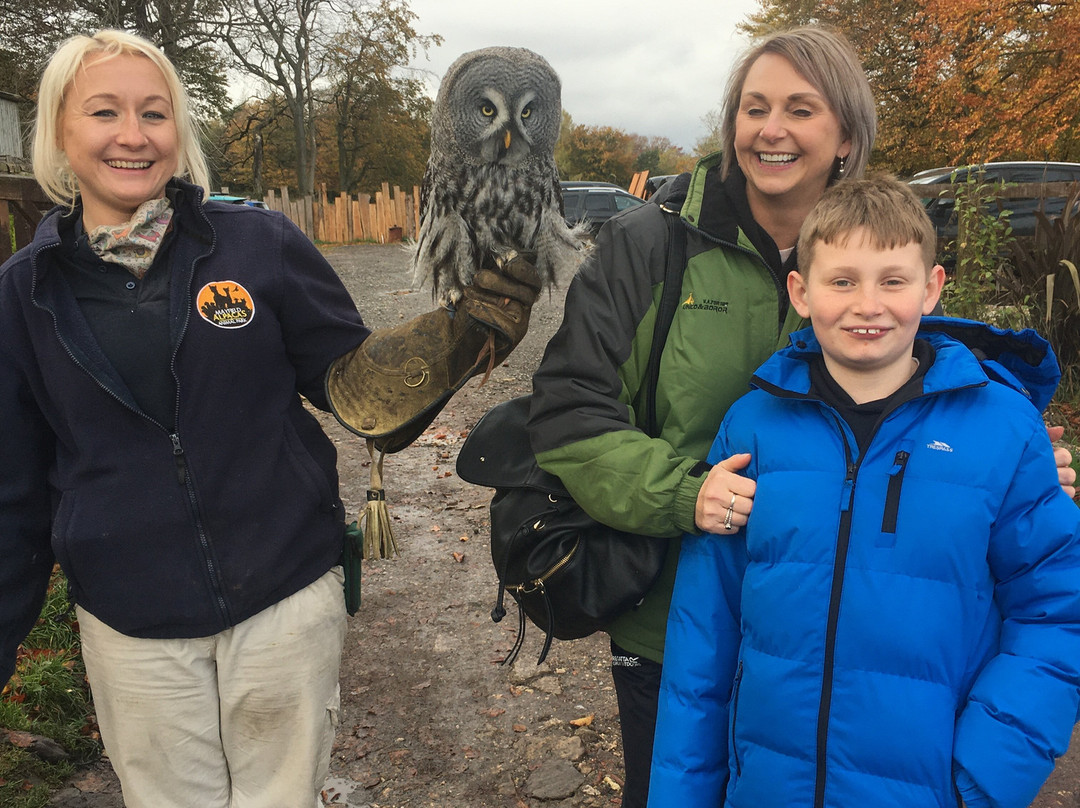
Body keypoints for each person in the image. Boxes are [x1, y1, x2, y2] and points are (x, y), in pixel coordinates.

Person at [527, 25, 1077, 807]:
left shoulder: (876, 239)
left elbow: (921, 396)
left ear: (846, 133)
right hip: (674, 619)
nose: (771, 129)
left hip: (882, 678)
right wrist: (687, 494)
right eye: (754, 108)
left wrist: (1012, 458)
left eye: (799, 108)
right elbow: (567, 409)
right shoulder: (650, 244)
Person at [0, 30, 539, 808]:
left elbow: (356, 391)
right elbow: (14, 489)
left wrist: (457, 341)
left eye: (154, 113)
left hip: (284, 597)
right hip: (130, 622)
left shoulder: (257, 244)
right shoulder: (23, 294)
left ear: (178, 132)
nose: (132, 134)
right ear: (59, 131)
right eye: (104, 112)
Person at [649, 174, 1080, 808]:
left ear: (931, 288)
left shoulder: (1003, 429)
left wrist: (982, 777)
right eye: (842, 280)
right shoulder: (752, 427)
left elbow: (1056, 613)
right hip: (768, 787)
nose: (867, 304)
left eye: (893, 280)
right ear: (801, 291)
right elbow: (704, 630)